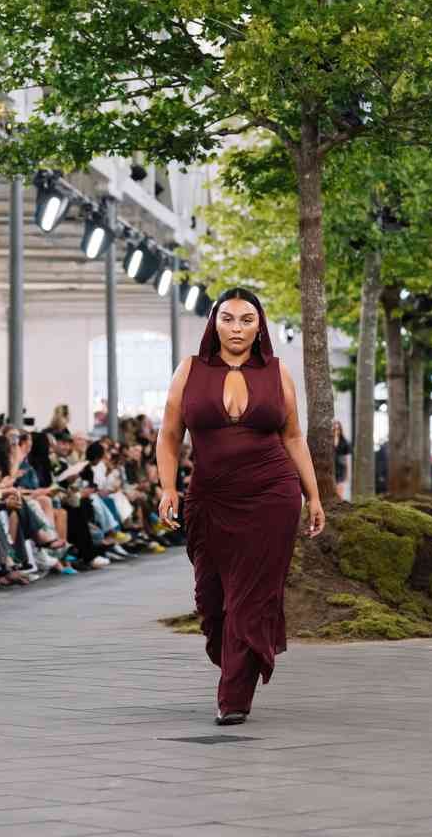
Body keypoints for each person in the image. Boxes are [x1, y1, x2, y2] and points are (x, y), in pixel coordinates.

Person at [156, 287, 325, 726]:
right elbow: (170, 435)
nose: (236, 328)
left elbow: (293, 437)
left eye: (246, 320)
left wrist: (314, 494)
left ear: (260, 325)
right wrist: (168, 488)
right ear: (214, 323)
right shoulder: (190, 370)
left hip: (271, 494)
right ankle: (234, 659)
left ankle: (233, 697)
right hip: (209, 497)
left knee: (251, 596)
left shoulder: (276, 371)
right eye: (228, 318)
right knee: (212, 600)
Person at [333, 420, 352, 500]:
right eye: (334, 429)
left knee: (339, 491)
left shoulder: (345, 442)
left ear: (340, 430)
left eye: (338, 429)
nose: (336, 431)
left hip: (341, 468)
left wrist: (348, 473)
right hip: (330, 468)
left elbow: (347, 459)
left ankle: (340, 505)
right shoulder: (327, 440)